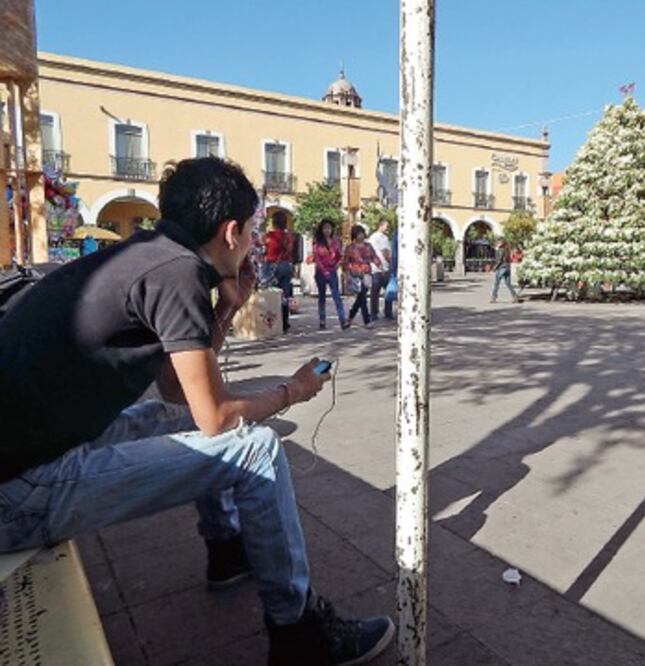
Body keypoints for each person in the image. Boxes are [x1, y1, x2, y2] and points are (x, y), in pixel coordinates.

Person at [0, 157, 394, 665]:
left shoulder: (147, 256)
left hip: (32, 457)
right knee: (256, 450)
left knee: (192, 421)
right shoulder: (178, 273)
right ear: (231, 231)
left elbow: (179, 395)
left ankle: (226, 549)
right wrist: (291, 391)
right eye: (252, 232)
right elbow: (217, 417)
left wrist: (227, 309)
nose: (253, 243)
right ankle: (297, 633)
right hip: (19, 493)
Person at [312, 219, 348, 331]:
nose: (327, 230)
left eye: (329, 228)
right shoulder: (317, 241)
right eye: (325, 228)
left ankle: (343, 320)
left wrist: (337, 265)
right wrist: (324, 270)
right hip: (321, 272)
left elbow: (340, 255)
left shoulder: (336, 241)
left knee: (336, 296)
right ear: (321, 229)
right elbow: (316, 258)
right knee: (322, 297)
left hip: (332, 271)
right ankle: (322, 320)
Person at [343, 226, 381, 328]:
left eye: (362, 233)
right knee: (362, 298)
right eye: (359, 233)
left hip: (366, 273)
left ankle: (350, 318)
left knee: (361, 298)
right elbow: (346, 262)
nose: (362, 235)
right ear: (355, 235)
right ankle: (366, 321)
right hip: (356, 275)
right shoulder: (350, 248)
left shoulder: (368, 246)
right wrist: (348, 272)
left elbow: (374, 257)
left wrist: (379, 264)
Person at [263, 211, 295, 332]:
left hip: (271, 266)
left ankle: (272, 323)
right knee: (285, 294)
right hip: (286, 266)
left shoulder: (269, 236)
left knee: (271, 294)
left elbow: (261, 247)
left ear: (274, 222)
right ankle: (285, 322)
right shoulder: (289, 237)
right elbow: (291, 251)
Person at [367, 221, 394, 321]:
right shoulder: (380, 237)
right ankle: (387, 312)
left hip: (376, 267)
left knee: (375, 292)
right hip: (382, 267)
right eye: (386, 226)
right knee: (388, 291)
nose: (388, 228)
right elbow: (385, 252)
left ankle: (374, 313)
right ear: (381, 225)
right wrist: (391, 262)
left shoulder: (373, 237)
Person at [490, 237, 519, 303]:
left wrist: (494, 268)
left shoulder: (500, 250)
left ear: (500, 243)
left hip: (501, 268)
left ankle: (493, 297)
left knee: (496, 283)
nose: (496, 243)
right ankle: (515, 296)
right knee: (508, 283)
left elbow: (499, 260)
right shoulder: (507, 250)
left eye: (498, 242)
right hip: (507, 268)